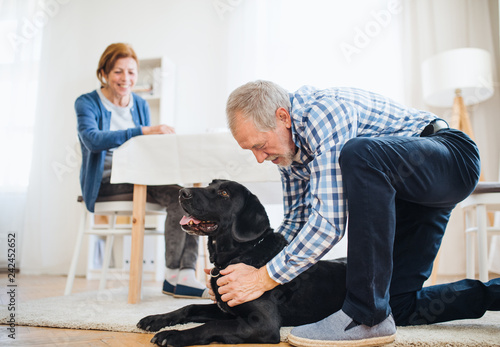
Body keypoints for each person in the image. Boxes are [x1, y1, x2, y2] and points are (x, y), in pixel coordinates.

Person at [211, 80, 500, 346]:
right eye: (251, 151)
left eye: (260, 146)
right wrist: (240, 273)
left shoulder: (323, 113)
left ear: (283, 117)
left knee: (359, 153)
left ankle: (365, 316)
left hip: (449, 157)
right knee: (396, 304)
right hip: (412, 196)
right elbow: (296, 221)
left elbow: (328, 223)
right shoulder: (289, 153)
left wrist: (264, 278)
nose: (260, 159)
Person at [75, 43, 208, 299]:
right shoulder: (87, 102)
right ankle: (172, 276)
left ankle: (185, 275)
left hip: (137, 176)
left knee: (189, 196)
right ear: (104, 72)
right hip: (104, 182)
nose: (126, 79)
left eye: (131, 72)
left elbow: (148, 149)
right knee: (179, 197)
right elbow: (92, 139)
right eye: (118, 72)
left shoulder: (139, 104)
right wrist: (142, 131)